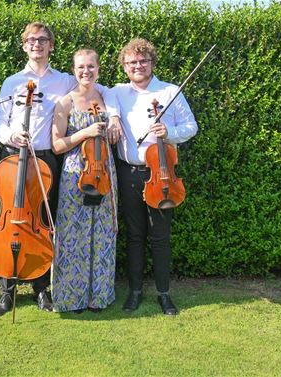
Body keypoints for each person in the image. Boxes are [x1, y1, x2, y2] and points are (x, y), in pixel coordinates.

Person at [0, 22, 81, 317]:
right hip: (15, 157)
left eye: (42, 40)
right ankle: (7, 290)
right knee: (13, 221)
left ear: (51, 45)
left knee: (43, 223)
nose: (37, 44)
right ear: (24, 45)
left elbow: (92, 92)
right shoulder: (12, 82)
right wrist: (11, 136)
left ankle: (42, 288)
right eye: (31, 40)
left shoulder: (66, 82)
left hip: (47, 160)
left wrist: (115, 113)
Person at [105, 38, 198, 315]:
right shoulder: (116, 92)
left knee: (160, 236)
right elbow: (109, 111)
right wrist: (112, 119)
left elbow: (191, 126)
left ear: (152, 63)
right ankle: (134, 292)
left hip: (162, 175)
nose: (138, 66)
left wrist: (169, 133)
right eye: (131, 62)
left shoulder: (170, 91)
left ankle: (164, 293)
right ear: (124, 66)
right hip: (129, 172)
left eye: (143, 61)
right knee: (134, 235)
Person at [50, 49, 118, 313]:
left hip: (104, 170)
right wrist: (85, 133)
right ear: (74, 70)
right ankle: (71, 298)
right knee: (72, 232)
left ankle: (98, 296)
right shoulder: (64, 103)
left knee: (102, 232)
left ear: (98, 69)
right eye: (80, 67)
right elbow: (57, 145)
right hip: (75, 172)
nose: (86, 71)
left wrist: (113, 129)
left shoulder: (108, 98)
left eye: (91, 66)